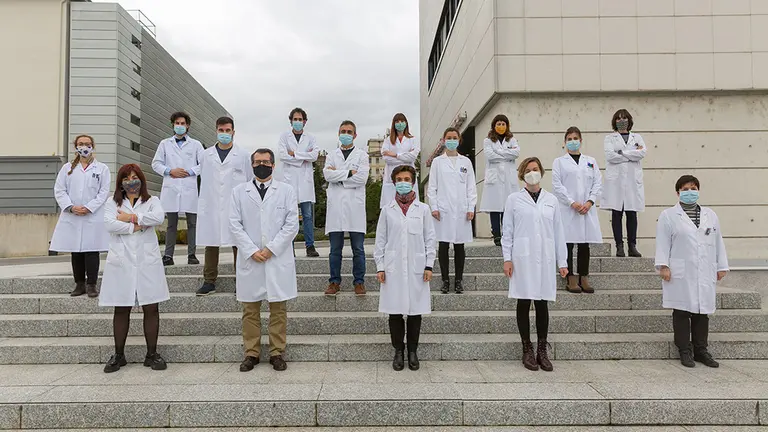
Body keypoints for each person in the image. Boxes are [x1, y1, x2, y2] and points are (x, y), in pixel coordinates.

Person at [230, 149, 299, 372]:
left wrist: (271, 249)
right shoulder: (239, 192)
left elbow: (291, 224)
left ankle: (277, 352)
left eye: (266, 161)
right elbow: (234, 224)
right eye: (258, 162)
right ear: (252, 164)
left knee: (278, 309)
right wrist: (251, 250)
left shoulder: (286, 191)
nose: (262, 165)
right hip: (251, 259)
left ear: (273, 165)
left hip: (276, 258)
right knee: (250, 310)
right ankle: (251, 353)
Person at [100, 163, 169, 373]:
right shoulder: (112, 203)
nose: (131, 181)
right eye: (127, 178)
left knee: (151, 307)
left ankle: (152, 354)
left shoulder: (152, 201)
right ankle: (119, 355)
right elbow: (110, 225)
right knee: (121, 307)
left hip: (147, 261)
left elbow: (158, 217)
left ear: (141, 179)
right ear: (120, 182)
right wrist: (137, 226)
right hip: (122, 261)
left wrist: (129, 217)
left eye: (135, 177)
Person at [502, 157, 568, 372]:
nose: (532, 173)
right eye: (528, 170)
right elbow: (508, 231)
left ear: (541, 172)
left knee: (542, 303)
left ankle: (542, 349)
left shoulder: (552, 200)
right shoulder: (514, 199)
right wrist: (507, 258)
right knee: (523, 302)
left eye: (536, 169)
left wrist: (563, 261)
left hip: (545, 257)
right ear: (522, 174)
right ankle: (526, 349)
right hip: (522, 258)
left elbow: (559, 232)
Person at [655, 175, 728, 369]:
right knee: (681, 311)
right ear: (678, 192)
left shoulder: (710, 215)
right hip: (680, 271)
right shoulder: (668, 215)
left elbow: (718, 240)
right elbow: (663, 242)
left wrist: (721, 266)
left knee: (702, 312)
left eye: (693, 187)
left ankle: (701, 350)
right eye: (685, 188)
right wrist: (663, 265)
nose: (690, 191)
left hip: (705, 270)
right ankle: (684, 350)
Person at [375, 165, 436, 371]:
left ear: (413, 182)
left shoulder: (424, 209)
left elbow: (430, 239)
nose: (403, 182)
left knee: (415, 312)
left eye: (407, 178)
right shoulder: (387, 210)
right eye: (399, 178)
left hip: (417, 267)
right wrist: (380, 267)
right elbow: (380, 241)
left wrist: (429, 265)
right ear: (394, 182)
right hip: (393, 268)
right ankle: (398, 350)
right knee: (394, 312)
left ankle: (412, 351)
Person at [196, 116, 253, 296]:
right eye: (221, 130)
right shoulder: (205, 155)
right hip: (212, 204)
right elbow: (204, 179)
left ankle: (241, 280)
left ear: (233, 132)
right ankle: (209, 281)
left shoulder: (243, 155)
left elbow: (250, 179)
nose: (224, 134)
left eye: (228, 131)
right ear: (216, 131)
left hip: (236, 204)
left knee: (238, 241)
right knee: (211, 241)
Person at [50, 134, 110, 298]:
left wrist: (89, 208)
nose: (84, 147)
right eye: (81, 144)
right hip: (73, 215)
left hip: (92, 215)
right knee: (75, 250)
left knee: (92, 250)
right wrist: (71, 207)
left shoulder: (102, 169)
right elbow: (59, 190)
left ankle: (91, 284)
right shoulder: (67, 168)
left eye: (88, 144)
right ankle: (79, 284)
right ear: (76, 147)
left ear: (93, 147)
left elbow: (103, 192)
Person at [551, 127, 603, 294]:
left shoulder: (591, 161)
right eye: (569, 138)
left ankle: (584, 277)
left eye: (576, 138)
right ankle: (570, 278)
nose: (573, 141)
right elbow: (557, 185)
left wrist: (590, 201)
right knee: (568, 243)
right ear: (565, 142)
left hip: (586, 209)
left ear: (581, 140)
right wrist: (572, 202)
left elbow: (598, 182)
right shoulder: (559, 162)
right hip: (568, 209)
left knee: (584, 244)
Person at [427, 127, 477, 294]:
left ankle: (458, 281)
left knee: (459, 246)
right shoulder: (437, 162)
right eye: (448, 137)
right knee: (443, 245)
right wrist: (434, 207)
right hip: (443, 209)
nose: (451, 140)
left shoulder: (466, 162)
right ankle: (445, 280)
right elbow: (432, 187)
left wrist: (471, 208)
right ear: (443, 139)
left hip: (461, 210)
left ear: (459, 140)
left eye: (454, 137)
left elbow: (471, 188)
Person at [323, 120, 370, 296]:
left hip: (354, 207)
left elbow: (362, 179)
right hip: (336, 207)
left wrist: (339, 176)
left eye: (349, 131)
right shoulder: (331, 155)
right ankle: (334, 282)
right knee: (335, 249)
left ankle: (359, 282)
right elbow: (327, 174)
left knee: (358, 248)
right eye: (343, 131)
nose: (346, 133)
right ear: (338, 133)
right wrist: (350, 173)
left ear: (355, 135)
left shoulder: (362, 155)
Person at [151, 111, 204, 266]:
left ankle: (192, 254)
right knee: (171, 224)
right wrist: (170, 171)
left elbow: (204, 164)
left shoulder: (196, 145)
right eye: (177, 123)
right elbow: (156, 163)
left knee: (192, 223)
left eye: (183, 123)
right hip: (172, 187)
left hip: (189, 187)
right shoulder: (164, 144)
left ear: (187, 126)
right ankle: (168, 256)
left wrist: (190, 172)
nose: (180, 126)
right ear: (173, 125)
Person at [601, 109, 646, 258]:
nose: (622, 121)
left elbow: (642, 153)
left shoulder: (637, 137)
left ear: (629, 120)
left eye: (624, 118)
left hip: (632, 181)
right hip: (616, 181)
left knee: (632, 213)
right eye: (619, 118)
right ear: (615, 121)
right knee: (617, 213)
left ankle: (632, 246)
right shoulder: (609, 138)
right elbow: (610, 156)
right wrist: (631, 154)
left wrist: (622, 152)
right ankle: (619, 246)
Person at [277, 107, 320, 258]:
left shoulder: (311, 138)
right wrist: (303, 158)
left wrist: (294, 154)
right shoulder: (284, 137)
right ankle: (289, 246)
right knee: (289, 215)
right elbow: (282, 155)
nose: (297, 122)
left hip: (305, 182)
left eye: (300, 119)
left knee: (307, 216)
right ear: (290, 121)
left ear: (305, 121)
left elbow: (314, 156)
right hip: (289, 181)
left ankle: (310, 246)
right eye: (295, 119)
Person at [478, 114, 520, 246]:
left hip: (508, 177)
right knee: (495, 207)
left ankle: (506, 233)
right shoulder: (488, 140)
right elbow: (489, 156)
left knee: (507, 207)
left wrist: (500, 154)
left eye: (503, 124)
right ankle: (496, 234)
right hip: (494, 178)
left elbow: (516, 153)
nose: (501, 126)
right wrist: (507, 155)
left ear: (507, 126)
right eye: (498, 124)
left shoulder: (512, 139)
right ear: (494, 126)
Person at [380, 113, 420, 208]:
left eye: (402, 121)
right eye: (397, 121)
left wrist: (394, 154)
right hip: (391, 178)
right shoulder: (388, 140)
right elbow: (387, 158)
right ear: (394, 124)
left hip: (408, 176)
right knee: (391, 208)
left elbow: (412, 157)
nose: (400, 123)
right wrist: (405, 158)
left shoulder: (413, 140)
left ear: (406, 123)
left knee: (411, 208)